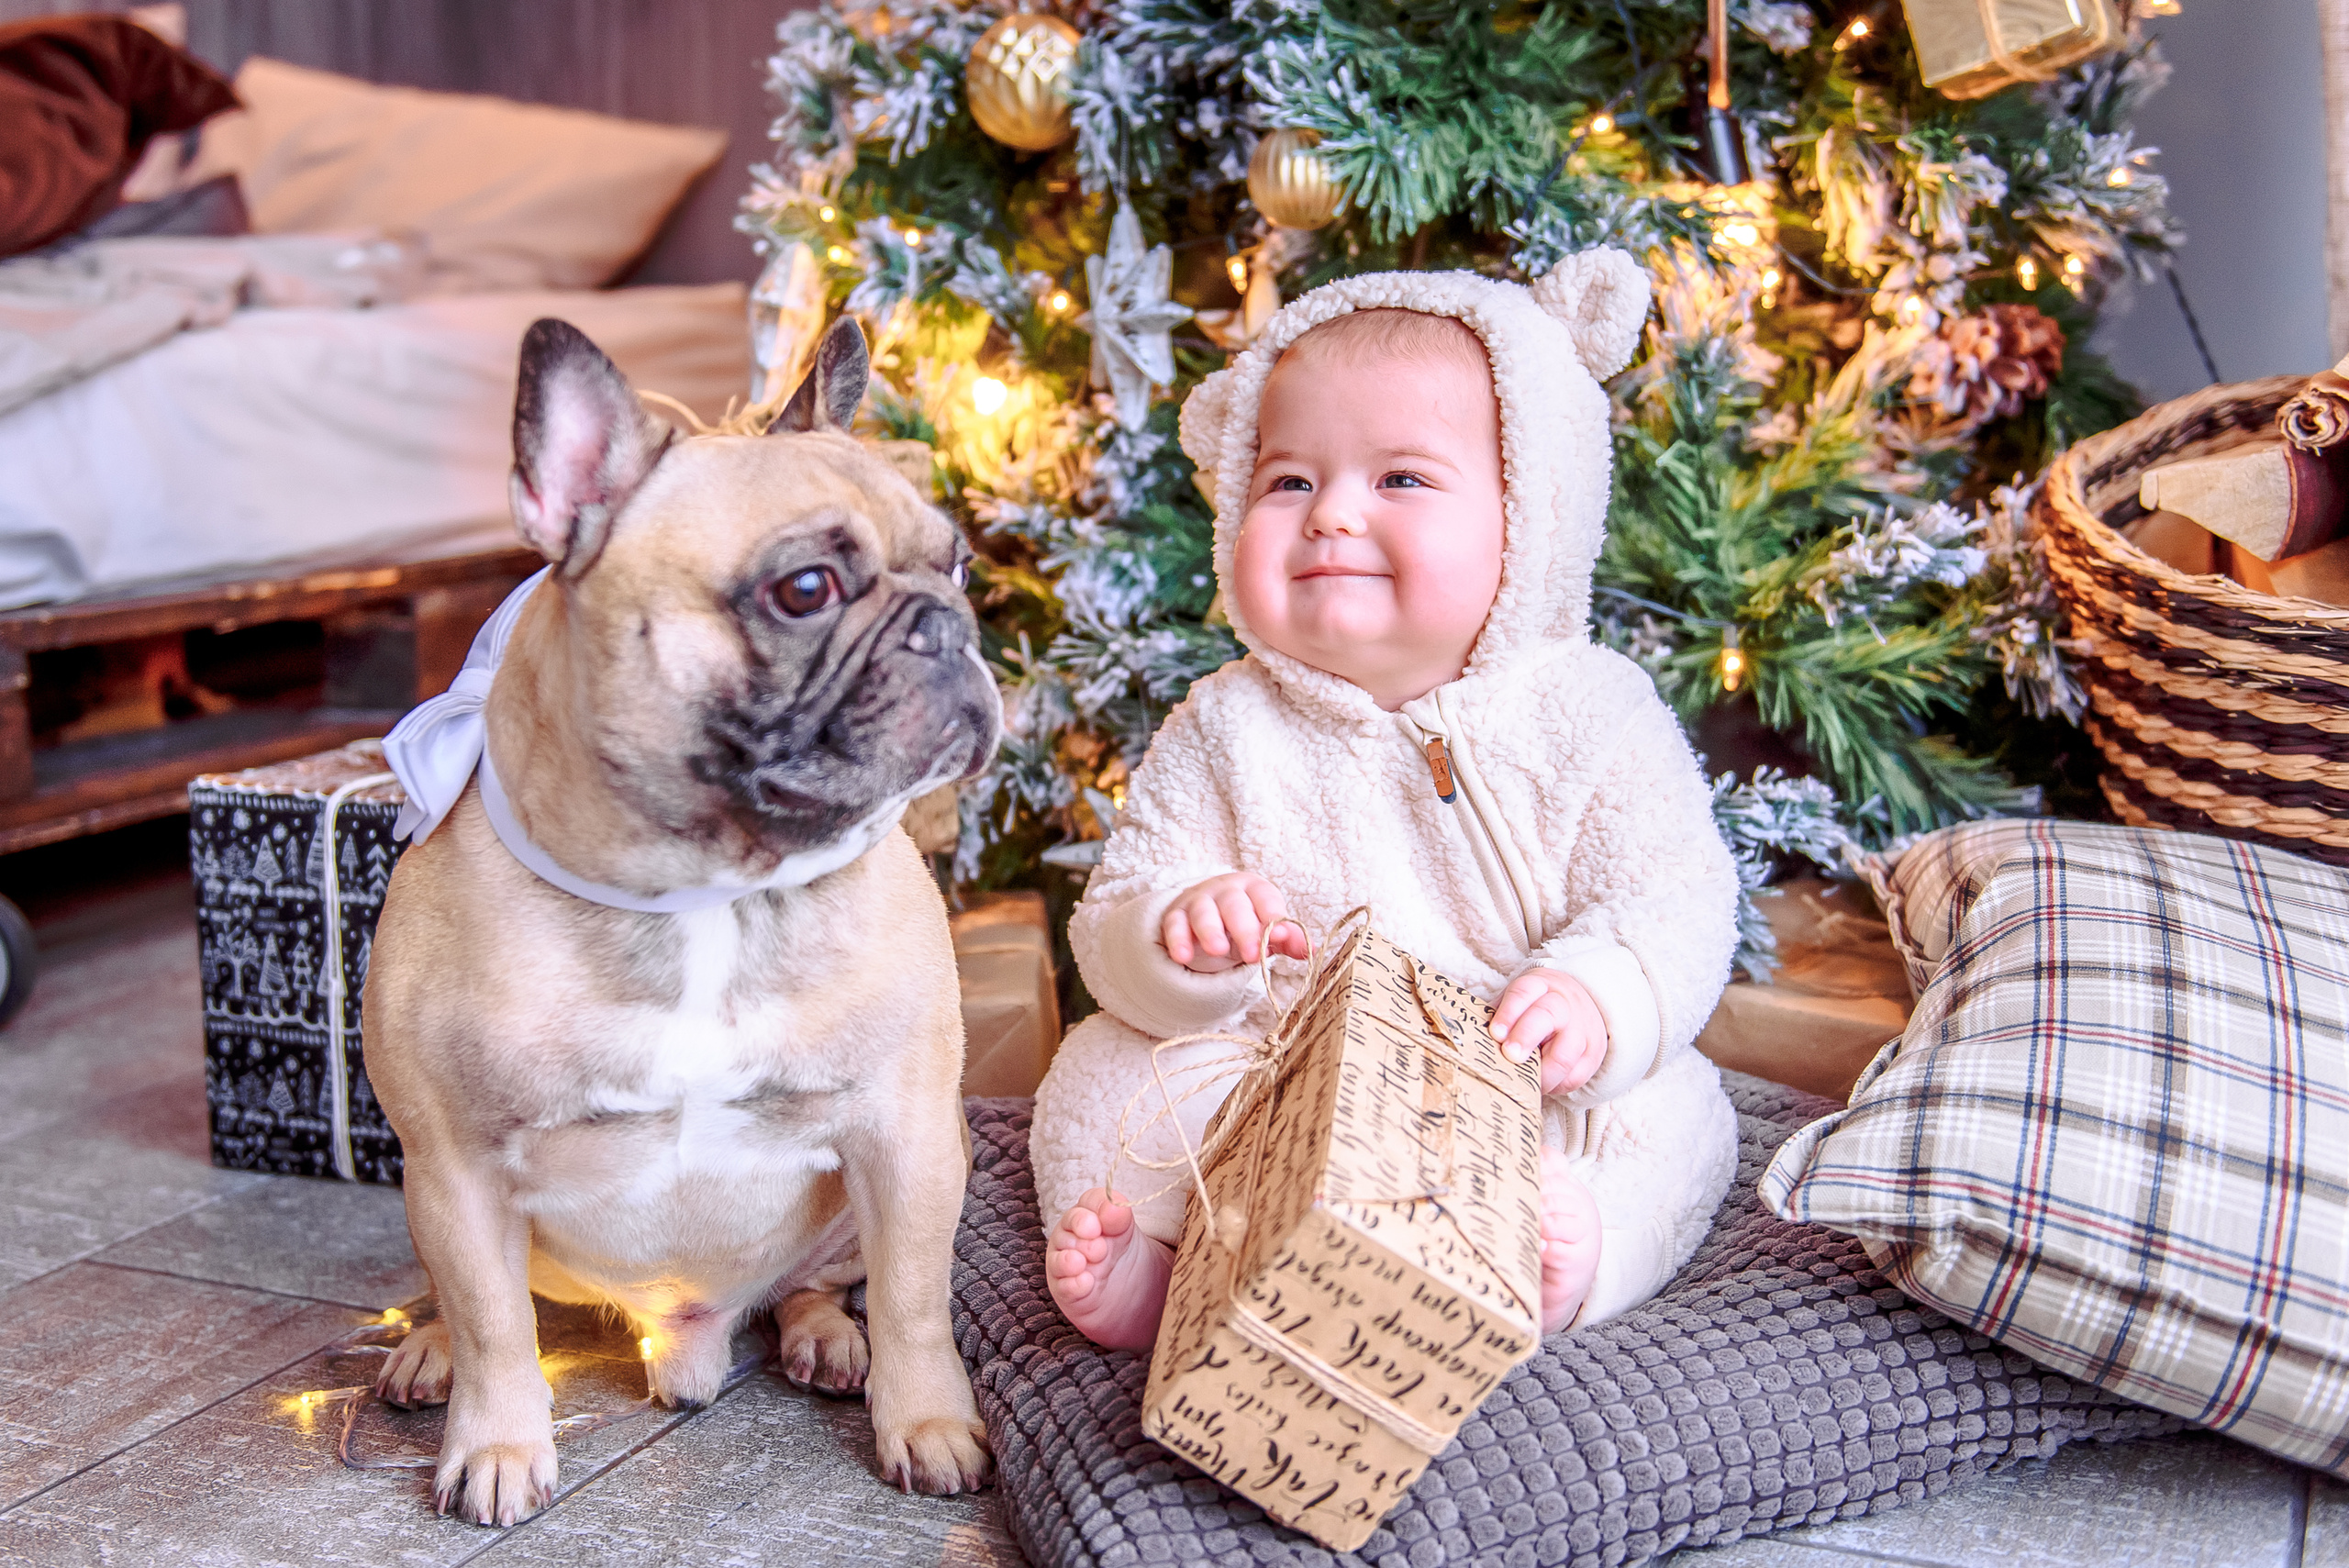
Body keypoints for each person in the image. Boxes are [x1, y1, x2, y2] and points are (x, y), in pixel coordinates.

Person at [1030, 250, 1741, 1350]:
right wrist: (1175, 932)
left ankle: (1572, 1257)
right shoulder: (1226, 721)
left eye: (1399, 478)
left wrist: (1598, 997)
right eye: (1289, 480)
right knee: (1105, 1073)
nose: (1330, 517)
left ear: (1531, 509)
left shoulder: (1589, 711)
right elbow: (1116, 909)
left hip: (1513, 1098)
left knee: (1677, 1112)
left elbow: (1677, 896)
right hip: (1278, 1088)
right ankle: (1176, 1276)